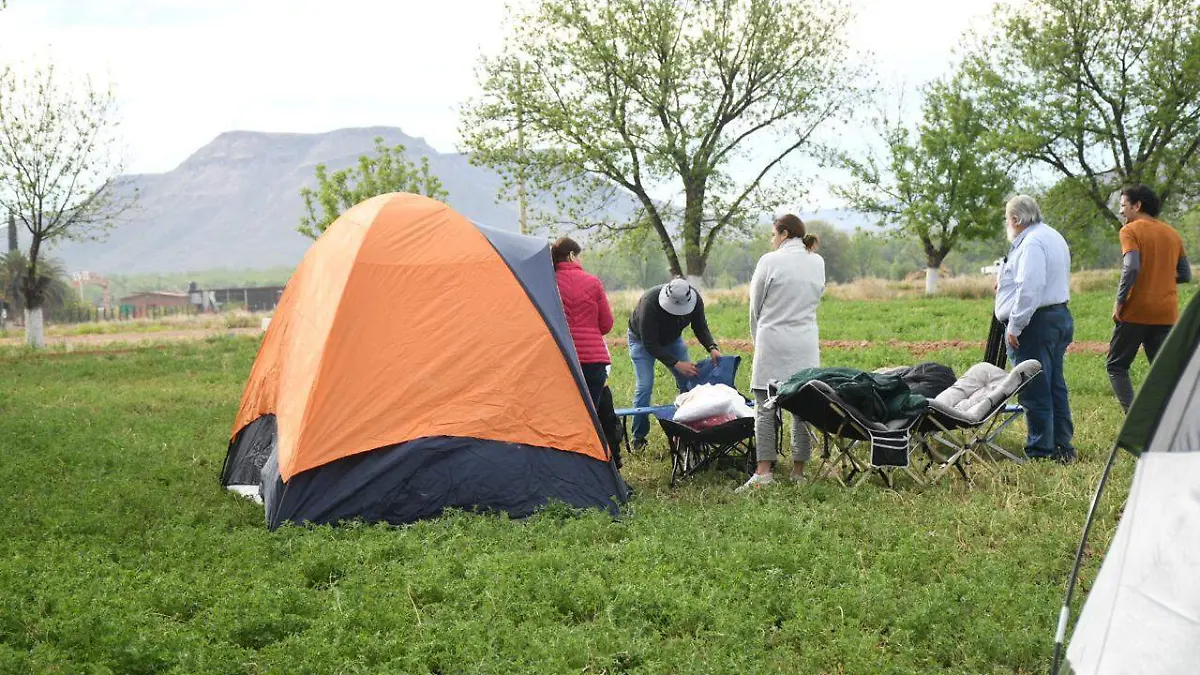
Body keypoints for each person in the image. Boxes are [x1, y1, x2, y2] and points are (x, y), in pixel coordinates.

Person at [737, 215, 826, 492]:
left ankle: (764, 472)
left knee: (765, 408)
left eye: (773, 234)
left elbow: (756, 307)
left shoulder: (769, 260)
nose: (771, 239)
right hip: (806, 343)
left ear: (784, 233)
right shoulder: (817, 262)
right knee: (803, 408)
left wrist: (758, 339)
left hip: (773, 341)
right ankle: (798, 472)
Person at [994, 195, 1076, 462]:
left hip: (1036, 322)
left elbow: (1030, 288)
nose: (1007, 225)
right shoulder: (1052, 235)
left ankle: (1041, 450)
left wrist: (1015, 326)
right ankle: (1063, 446)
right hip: (1058, 315)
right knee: (1054, 385)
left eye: (1007, 220)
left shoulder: (1030, 243)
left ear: (1016, 220)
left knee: (1034, 386)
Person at [1108, 185, 1192, 412]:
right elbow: (1185, 274)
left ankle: (1137, 420)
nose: (1121, 211)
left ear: (1137, 205)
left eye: (1123, 205)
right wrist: (1160, 275)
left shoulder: (1130, 230)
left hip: (1136, 311)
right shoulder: (1172, 233)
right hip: (1166, 313)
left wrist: (1120, 301)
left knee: (1117, 366)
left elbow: (1131, 267)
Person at [627, 278, 721, 450]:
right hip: (641, 341)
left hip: (672, 340)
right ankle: (638, 437)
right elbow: (650, 343)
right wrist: (677, 363)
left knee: (689, 382)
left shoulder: (695, 300)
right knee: (645, 386)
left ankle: (689, 431)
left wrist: (712, 347)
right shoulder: (650, 302)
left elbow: (700, 327)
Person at [551, 236, 614, 409]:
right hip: (593, 361)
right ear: (572, 255)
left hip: (560, 358)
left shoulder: (548, 282)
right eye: (579, 256)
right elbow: (606, 324)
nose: (581, 260)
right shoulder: (593, 282)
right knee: (590, 414)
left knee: (563, 411)